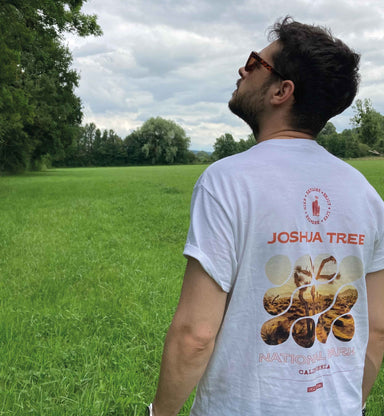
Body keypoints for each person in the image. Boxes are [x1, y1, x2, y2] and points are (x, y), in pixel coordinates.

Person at [147, 17, 384, 416]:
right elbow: (376, 329)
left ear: (281, 91)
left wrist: (160, 413)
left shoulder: (226, 182)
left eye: (255, 62)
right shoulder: (366, 194)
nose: (243, 69)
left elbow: (196, 335)